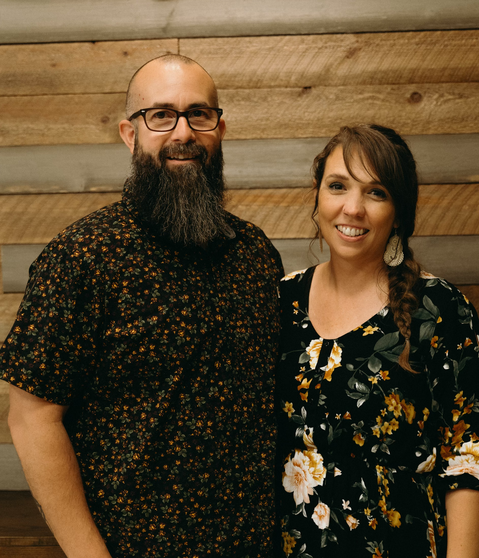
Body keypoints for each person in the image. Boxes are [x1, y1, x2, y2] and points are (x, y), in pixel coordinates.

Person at [1, 54, 283, 558]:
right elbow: (31, 419)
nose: (183, 132)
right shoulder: (82, 257)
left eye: (199, 114)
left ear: (219, 130)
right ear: (130, 135)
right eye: (161, 115)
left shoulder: (255, 254)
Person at [276, 124, 479, 558]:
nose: (353, 207)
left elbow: (469, 460)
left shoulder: (438, 309)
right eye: (337, 186)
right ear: (318, 196)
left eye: (376, 193)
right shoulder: (280, 301)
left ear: (398, 212)